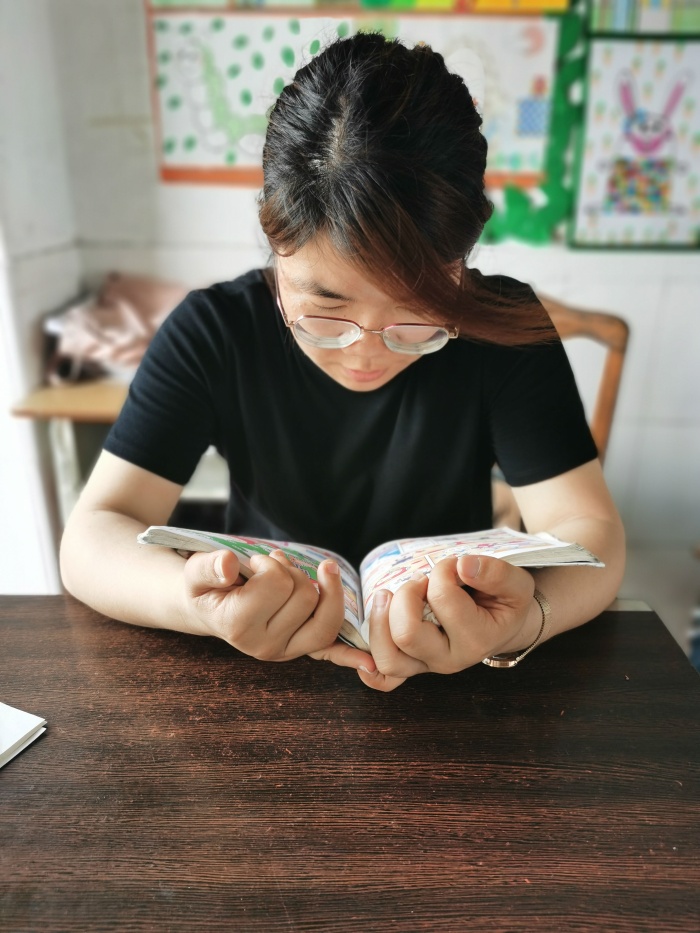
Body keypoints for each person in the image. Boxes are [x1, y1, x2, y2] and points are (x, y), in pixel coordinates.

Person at [60, 33, 625, 691]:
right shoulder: (216, 330)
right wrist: (197, 604)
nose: (366, 349)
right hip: (261, 667)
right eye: (325, 313)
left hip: (458, 670)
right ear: (276, 244)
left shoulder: (501, 326)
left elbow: (592, 534)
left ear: (465, 257)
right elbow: (92, 536)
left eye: (417, 314)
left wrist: (526, 620)